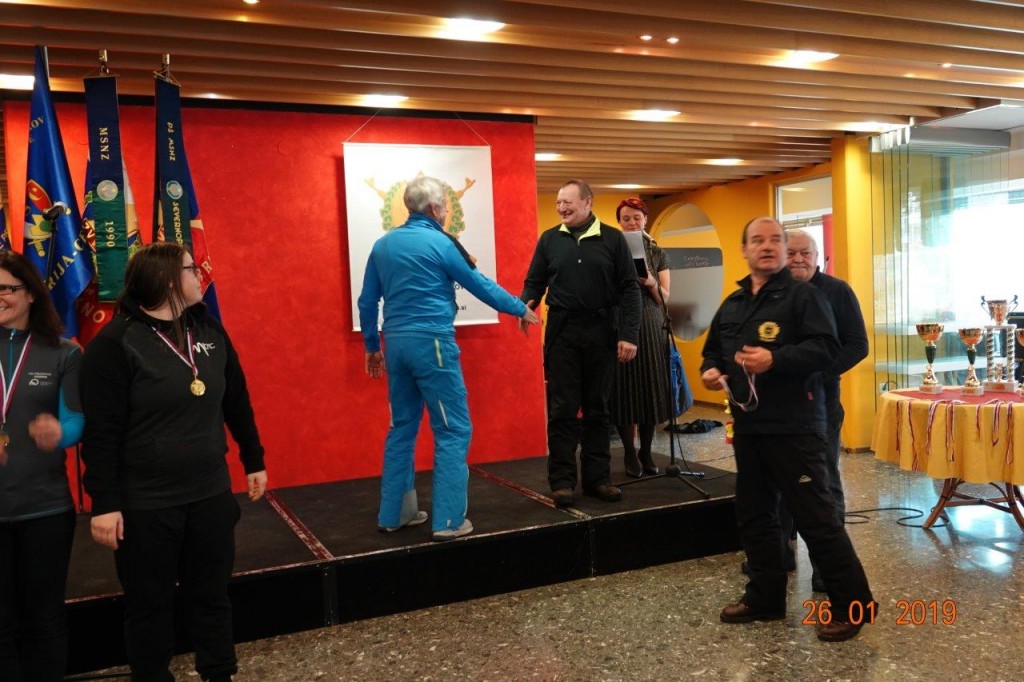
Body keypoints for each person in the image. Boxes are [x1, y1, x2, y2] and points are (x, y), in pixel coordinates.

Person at [81, 242, 267, 681]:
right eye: (190, 268)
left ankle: (218, 673)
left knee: (212, 596)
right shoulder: (114, 344)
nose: (199, 273)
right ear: (165, 280)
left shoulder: (209, 329)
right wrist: (104, 503)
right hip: (147, 504)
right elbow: (101, 433)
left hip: (209, 494)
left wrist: (253, 458)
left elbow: (236, 400)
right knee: (150, 604)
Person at [700, 216, 874, 642]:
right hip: (749, 425)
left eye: (775, 240)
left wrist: (775, 360)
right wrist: (711, 369)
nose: (768, 246)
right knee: (756, 514)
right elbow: (713, 349)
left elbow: (828, 348)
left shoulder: (805, 297)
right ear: (744, 249)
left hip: (796, 425)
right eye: (758, 240)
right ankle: (765, 597)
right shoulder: (734, 303)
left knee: (816, 516)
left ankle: (851, 605)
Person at [358, 175, 538, 542]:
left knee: (402, 427)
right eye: (444, 207)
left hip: (395, 344)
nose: (445, 213)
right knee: (453, 429)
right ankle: (449, 521)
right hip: (433, 345)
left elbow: (367, 301)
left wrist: (372, 346)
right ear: (434, 208)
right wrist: (519, 308)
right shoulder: (441, 243)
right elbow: (479, 284)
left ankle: (395, 514)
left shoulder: (383, 244)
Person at [520, 180, 640, 508]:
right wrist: (526, 303)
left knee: (598, 408)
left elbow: (630, 289)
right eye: (558, 203)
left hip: (602, 330)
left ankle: (598, 479)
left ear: (587, 202)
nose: (561, 208)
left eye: (567, 202)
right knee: (562, 409)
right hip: (562, 332)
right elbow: (535, 281)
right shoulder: (549, 239)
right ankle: (562, 482)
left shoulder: (613, 239)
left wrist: (629, 335)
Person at [0, 251, 83, 682]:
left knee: (45, 621)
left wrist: (59, 432)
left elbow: (76, 420)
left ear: (31, 293)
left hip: (45, 510)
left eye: (6, 289)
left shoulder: (63, 353)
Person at [784, 228, 869, 592]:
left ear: (817, 257)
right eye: (791, 253)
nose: (798, 259)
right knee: (778, 483)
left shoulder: (837, 292)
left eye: (806, 253)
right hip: (776, 407)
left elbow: (858, 345)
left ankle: (827, 567)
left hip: (821, 405)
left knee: (823, 485)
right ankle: (781, 554)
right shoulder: (771, 292)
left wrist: (817, 374)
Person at [610, 198, 673, 477]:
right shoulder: (610, 249)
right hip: (620, 321)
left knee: (650, 387)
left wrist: (649, 281)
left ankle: (646, 450)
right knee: (624, 389)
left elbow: (664, 298)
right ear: (619, 222)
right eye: (626, 218)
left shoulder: (657, 252)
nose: (632, 223)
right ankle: (628, 451)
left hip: (650, 322)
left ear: (645, 219)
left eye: (637, 217)